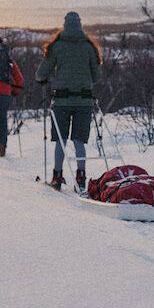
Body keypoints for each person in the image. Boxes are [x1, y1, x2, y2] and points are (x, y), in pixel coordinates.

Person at [35, 11, 102, 191]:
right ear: (80, 25)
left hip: (62, 100)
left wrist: (46, 79)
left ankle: (57, 176)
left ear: (64, 25)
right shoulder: (89, 47)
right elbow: (97, 76)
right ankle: (81, 177)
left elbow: (41, 73)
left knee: (61, 140)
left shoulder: (56, 46)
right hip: (84, 101)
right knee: (79, 141)